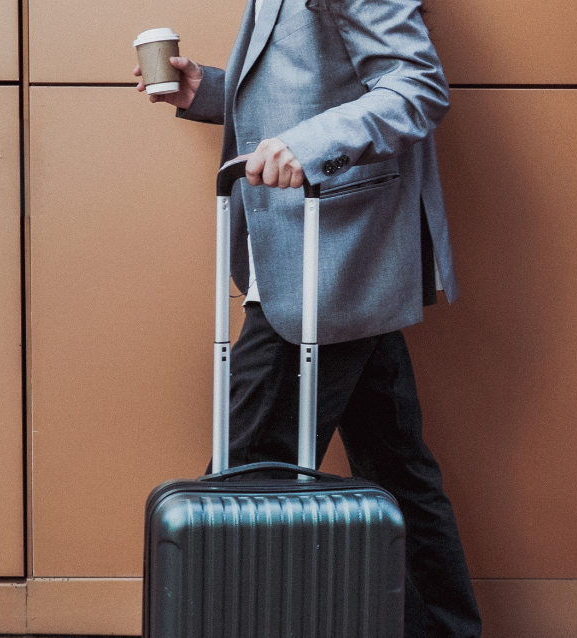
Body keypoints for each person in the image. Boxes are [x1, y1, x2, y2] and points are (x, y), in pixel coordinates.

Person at [135, 0, 481, 636]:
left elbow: (416, 86)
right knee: (398, 476)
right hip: (338, 262)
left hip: (328, 260)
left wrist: (309, 145)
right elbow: (307, 83)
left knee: (242, 490)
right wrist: (210, 91)